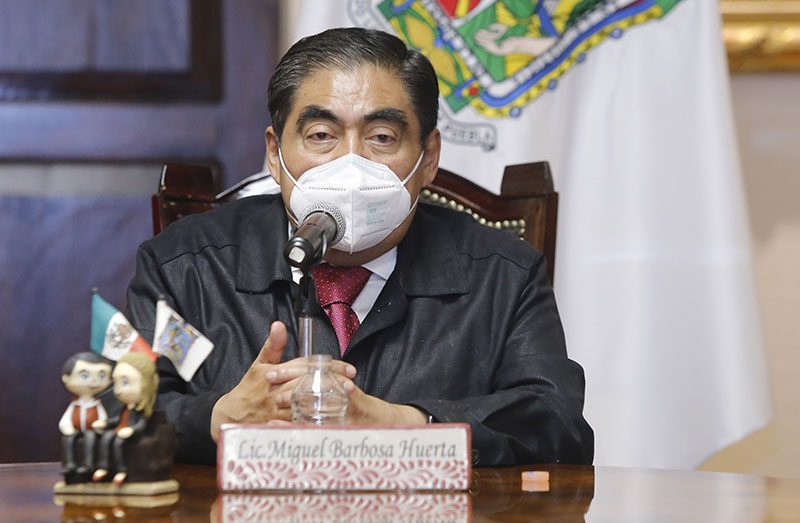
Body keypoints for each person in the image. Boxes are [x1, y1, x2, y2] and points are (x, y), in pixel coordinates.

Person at [125, 27, 593, 466]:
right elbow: (112, 409)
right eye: (321, 136)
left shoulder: (503, 275)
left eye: (382, 137)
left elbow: (559, 423)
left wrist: (407, 425)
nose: (350, 165)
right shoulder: (184, 268)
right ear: (275, 153)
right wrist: (215, 419)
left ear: (429, 158)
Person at [92, 351, 158, 485]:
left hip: (129, 433)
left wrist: (132, 430)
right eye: (116, 383)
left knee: (118, 442)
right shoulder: (124, 407)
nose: (117, 390)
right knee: (106, 437)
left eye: (125, 382)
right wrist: (105, 423)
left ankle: (122, 470)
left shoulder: (141, 410)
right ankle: (104, 467)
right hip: (119, 429)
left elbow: (142, 423)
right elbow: (117, 420)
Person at [59, 351, 113, 475]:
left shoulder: (97, 404)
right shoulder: (75, 404)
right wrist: (66, 426)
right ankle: (70, 464)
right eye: (84, 376)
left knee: (90, 437)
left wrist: (101, 424)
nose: (93, 381)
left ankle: (89, 464)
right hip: (76, 430)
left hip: (91, 431)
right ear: (66, 378)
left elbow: (103, 417)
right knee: (68, 439)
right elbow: (66, 419)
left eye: (101, 376)